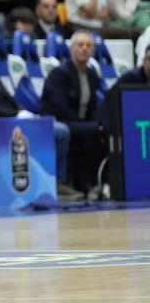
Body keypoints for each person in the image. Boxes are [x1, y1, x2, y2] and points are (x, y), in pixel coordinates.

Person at [0, 39, 80, 199]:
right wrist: (15, 115)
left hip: (12, 121)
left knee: (61, 131)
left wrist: (23, 112)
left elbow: (10, 99)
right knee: (60, 131)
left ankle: (57, 181)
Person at [40, 30, 103, 191]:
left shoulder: (91, 74)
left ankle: (97, 180)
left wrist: (95, 120)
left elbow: (94, 105)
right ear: (71, 49)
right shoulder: (60, 73)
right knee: (93, 130)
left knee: (102, 127)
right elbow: (58, 107)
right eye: (80, 45)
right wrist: (85, 124)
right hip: (60, 120)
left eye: (88, 45)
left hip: (80, 122)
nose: (84, 48)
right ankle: (82, 182)